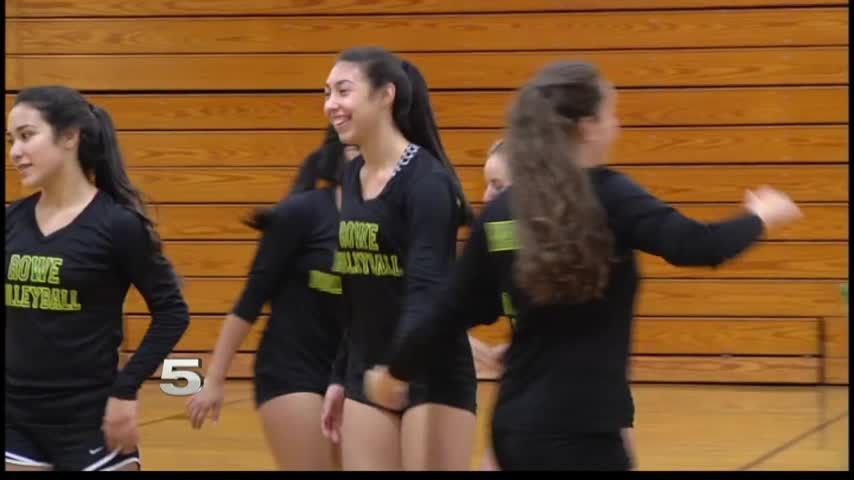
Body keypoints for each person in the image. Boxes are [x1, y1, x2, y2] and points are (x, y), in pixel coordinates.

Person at [364, 60, 803, 471]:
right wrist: (760, 217)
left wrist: (394, 372)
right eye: (611, 114)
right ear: (587, 127)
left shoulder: (503, 211)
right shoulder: (611, 197)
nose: (617, 125)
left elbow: (447, 311)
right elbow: (696, 245)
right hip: (585, 430)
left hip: (516, 430)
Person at [5, 85, 190, 471]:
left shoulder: (118, 224)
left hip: (91, 419)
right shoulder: (11, 220)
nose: (15, 152)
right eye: (11, 140)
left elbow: (172, 312)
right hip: (16, 418)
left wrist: (126, 391)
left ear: (70, 137)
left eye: (26, 136)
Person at [320, 46, 478, 470]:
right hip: (367, 371)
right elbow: (358, 292)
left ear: (385, 95)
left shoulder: (428, 184)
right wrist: (339, 376)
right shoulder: (351, 175)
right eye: (327, 92)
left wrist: (398, 369)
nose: (331, 104)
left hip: (430, 372)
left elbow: (426, 289)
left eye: (343, 91)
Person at [185, 126, 358, 470]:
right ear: (342, 153)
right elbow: (250, 300)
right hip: (293, 369)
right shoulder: (301, 214)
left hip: (354, 372)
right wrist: (215, 379)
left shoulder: (388, 222)